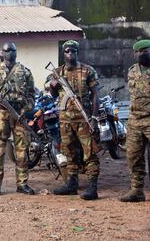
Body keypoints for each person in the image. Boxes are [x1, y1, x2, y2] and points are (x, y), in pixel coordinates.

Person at [49, 40, 100, 200]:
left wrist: (93, 117)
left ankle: (92, 186)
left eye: (73, 51)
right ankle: (72, 184)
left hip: (84, 119)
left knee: (89, 152)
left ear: (78, 53)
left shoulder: (87, 70)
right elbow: (53, 95)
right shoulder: (57, 72)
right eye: (67, 51)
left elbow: (95, 95)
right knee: (69, 151)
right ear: (63, 53)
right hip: (65, 119)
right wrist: (53, 85)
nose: (70, 54)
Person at [0, 42, 36, 196]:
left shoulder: (25, 72)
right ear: (2, 52)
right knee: (0, 149)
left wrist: (26, 110)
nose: (10, 53)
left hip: (19, 114)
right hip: (2, 115)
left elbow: (32, 94)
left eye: (13, 50)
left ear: (16, 52)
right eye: (7, 50)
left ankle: (22, 183)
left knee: (22, 150)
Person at [120, 39, 150, 202]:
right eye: (138, 52)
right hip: (135, 120)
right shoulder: (132, 71)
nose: (141, 54)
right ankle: (137, 190)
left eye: (145, 51)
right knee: (133, 156)